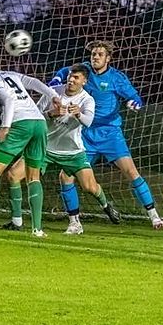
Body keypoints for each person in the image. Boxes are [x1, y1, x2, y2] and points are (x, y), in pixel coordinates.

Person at [49, 41, 163, 229]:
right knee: (65, 176)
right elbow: (63, 73)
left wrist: (134, 103)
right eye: (93, 54)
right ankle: (74, 222)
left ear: (108, 58)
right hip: (84, 132)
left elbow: (135, 97)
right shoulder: (83, 70)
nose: (95, 57)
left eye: (100, 54)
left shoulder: (117, 78)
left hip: (110, 133)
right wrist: (54, 80)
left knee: (131, 171)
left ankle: (154, 216)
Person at [0, 64, 60, 238]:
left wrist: (5, 126)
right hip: (39, 123)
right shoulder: (9, 74)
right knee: (32, 177)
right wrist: (54, 96)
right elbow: (34, 82)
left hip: (20, 123)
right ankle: (37, 229)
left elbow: (9, 99)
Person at [38, 64, 121, 234]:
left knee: (90, 187)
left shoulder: (87, 99)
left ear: (84, 81)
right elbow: (35, 113)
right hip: (45, 148)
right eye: (70, 76)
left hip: (72, 151)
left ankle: (106, 205)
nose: (71, 80)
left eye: (76, 78)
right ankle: (74, 223)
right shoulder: (52, 91)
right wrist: (51, 114)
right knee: (16, 175)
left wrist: (78, 114)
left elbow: (88, 121)